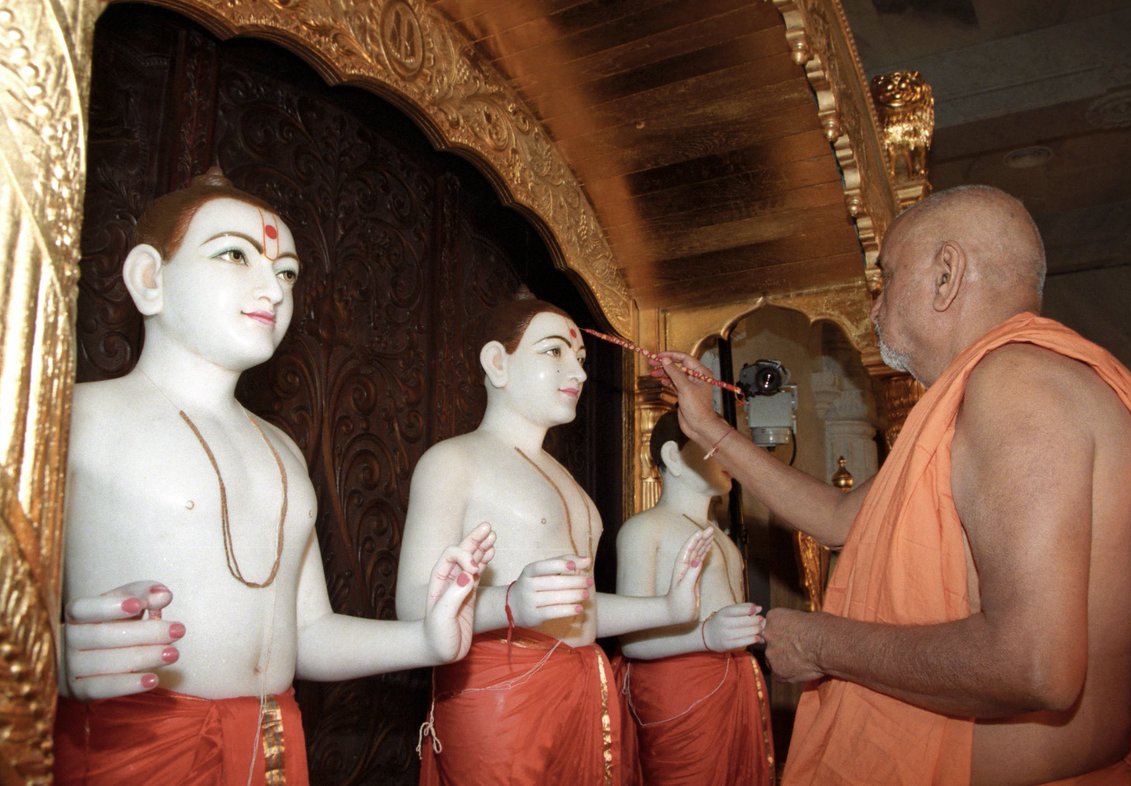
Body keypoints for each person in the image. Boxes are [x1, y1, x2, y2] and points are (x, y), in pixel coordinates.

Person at [655, 185, 1131, 785]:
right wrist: (706, 425)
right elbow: (841, 518)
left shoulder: (1015, 383)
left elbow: (1034, 664)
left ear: (946, 274)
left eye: (886, 278)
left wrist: (822, 644)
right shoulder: (1006, 386)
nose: (875, 306)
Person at [55, 168, 496, 786]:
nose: (274, 286)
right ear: (150, 279)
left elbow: (308, 634)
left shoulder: (284, 449)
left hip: (274, 744)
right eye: (236, 254)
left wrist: (427, 640)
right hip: (131, 744)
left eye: (286, 271)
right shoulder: (71, 416)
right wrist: (41, 656)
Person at [395, 293, 714, 785]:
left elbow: (575, 608)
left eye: (582, 359)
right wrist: (509, 605)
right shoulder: (453, 461)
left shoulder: (570, 484)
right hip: (501, 693)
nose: (580, 373)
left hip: (584, 687)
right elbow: (415, 606)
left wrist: (669, 608)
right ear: (498, 362)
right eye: (554, 352)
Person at [615, 408, 773, 785]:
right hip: (678, 689)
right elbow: (632, 641)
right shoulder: (644, 529)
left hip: (733, 682)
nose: (729, 457)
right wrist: (706, 637)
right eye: (716, 447)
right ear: (673, 456)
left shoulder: (723, 538)